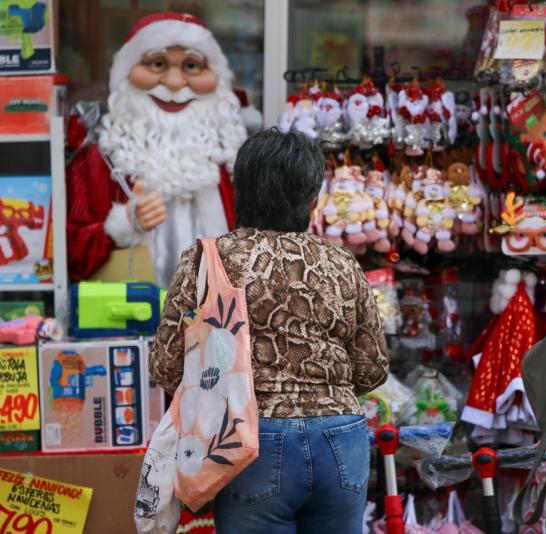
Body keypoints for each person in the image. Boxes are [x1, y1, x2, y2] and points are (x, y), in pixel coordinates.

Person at [149, 128, 389, 534]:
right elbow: (373, 368)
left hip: (249, 440)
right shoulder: (341, 261)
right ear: (313, 200)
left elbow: (167, 367)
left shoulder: (209, 260)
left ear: (240, 192)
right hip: (342, 436)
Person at [66, 12, 261, 287]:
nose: (173, 83)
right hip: (130, 321)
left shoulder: (233, 162)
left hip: (220, 324)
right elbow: (67, 252)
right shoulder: (98, 162)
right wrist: (122, 225)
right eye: (157, 64)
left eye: (191, 66)